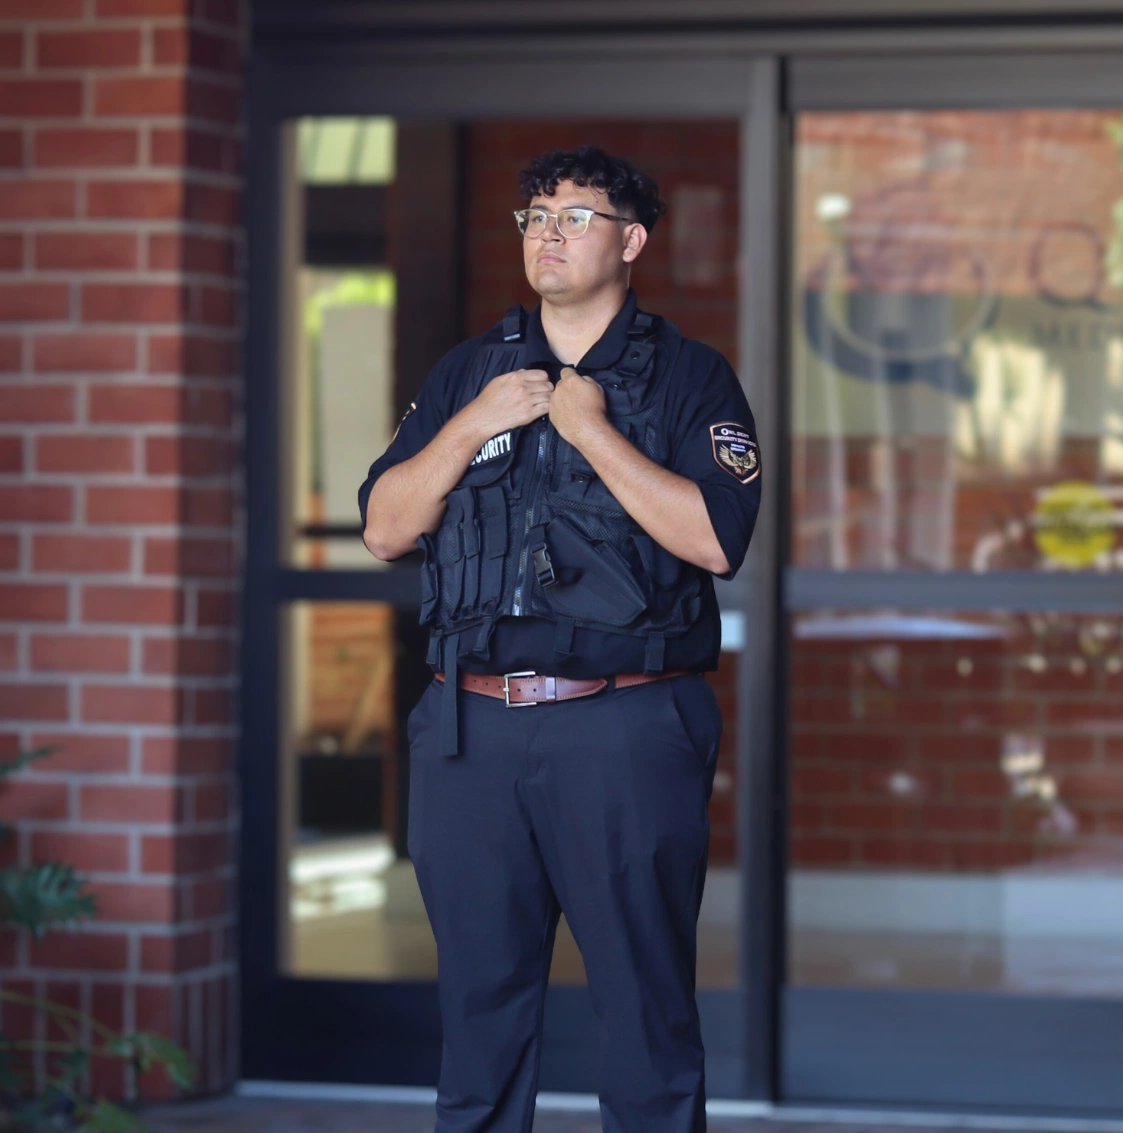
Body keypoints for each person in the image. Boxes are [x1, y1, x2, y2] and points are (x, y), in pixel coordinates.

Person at [359, 145, 761, 1133]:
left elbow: (715, 537)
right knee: (479, 1012)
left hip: (624, 726)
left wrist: (591, 433)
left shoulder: (689, 379)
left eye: (575, 215)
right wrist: (469, 424)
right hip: (472, 730)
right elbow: (384, 526)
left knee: (643, 1009)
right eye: (535, 213)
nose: (547, 231)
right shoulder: (471, 368)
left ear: (630, 241)